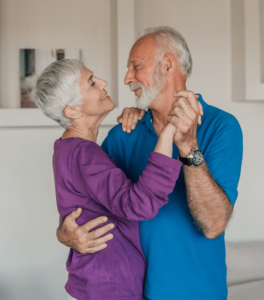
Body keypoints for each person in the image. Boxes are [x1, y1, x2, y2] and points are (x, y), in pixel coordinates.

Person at [57, 26, 243, 300]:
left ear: (167, 65)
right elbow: (89, 201)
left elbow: (214, 225)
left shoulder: (222, 127)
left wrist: (189, 146)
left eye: (135, 66)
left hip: (196, 292)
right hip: (129, 291)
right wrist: (64, 234)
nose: (126, 78)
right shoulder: (122, 134)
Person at [33, 59, 196, 300]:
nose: (103, 82)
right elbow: (140, 204)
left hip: (100, 283)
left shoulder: (68, 149)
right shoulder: (82, 154)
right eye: (91, 83)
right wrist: (170, 131)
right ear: (73, 111)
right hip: (111, 287)